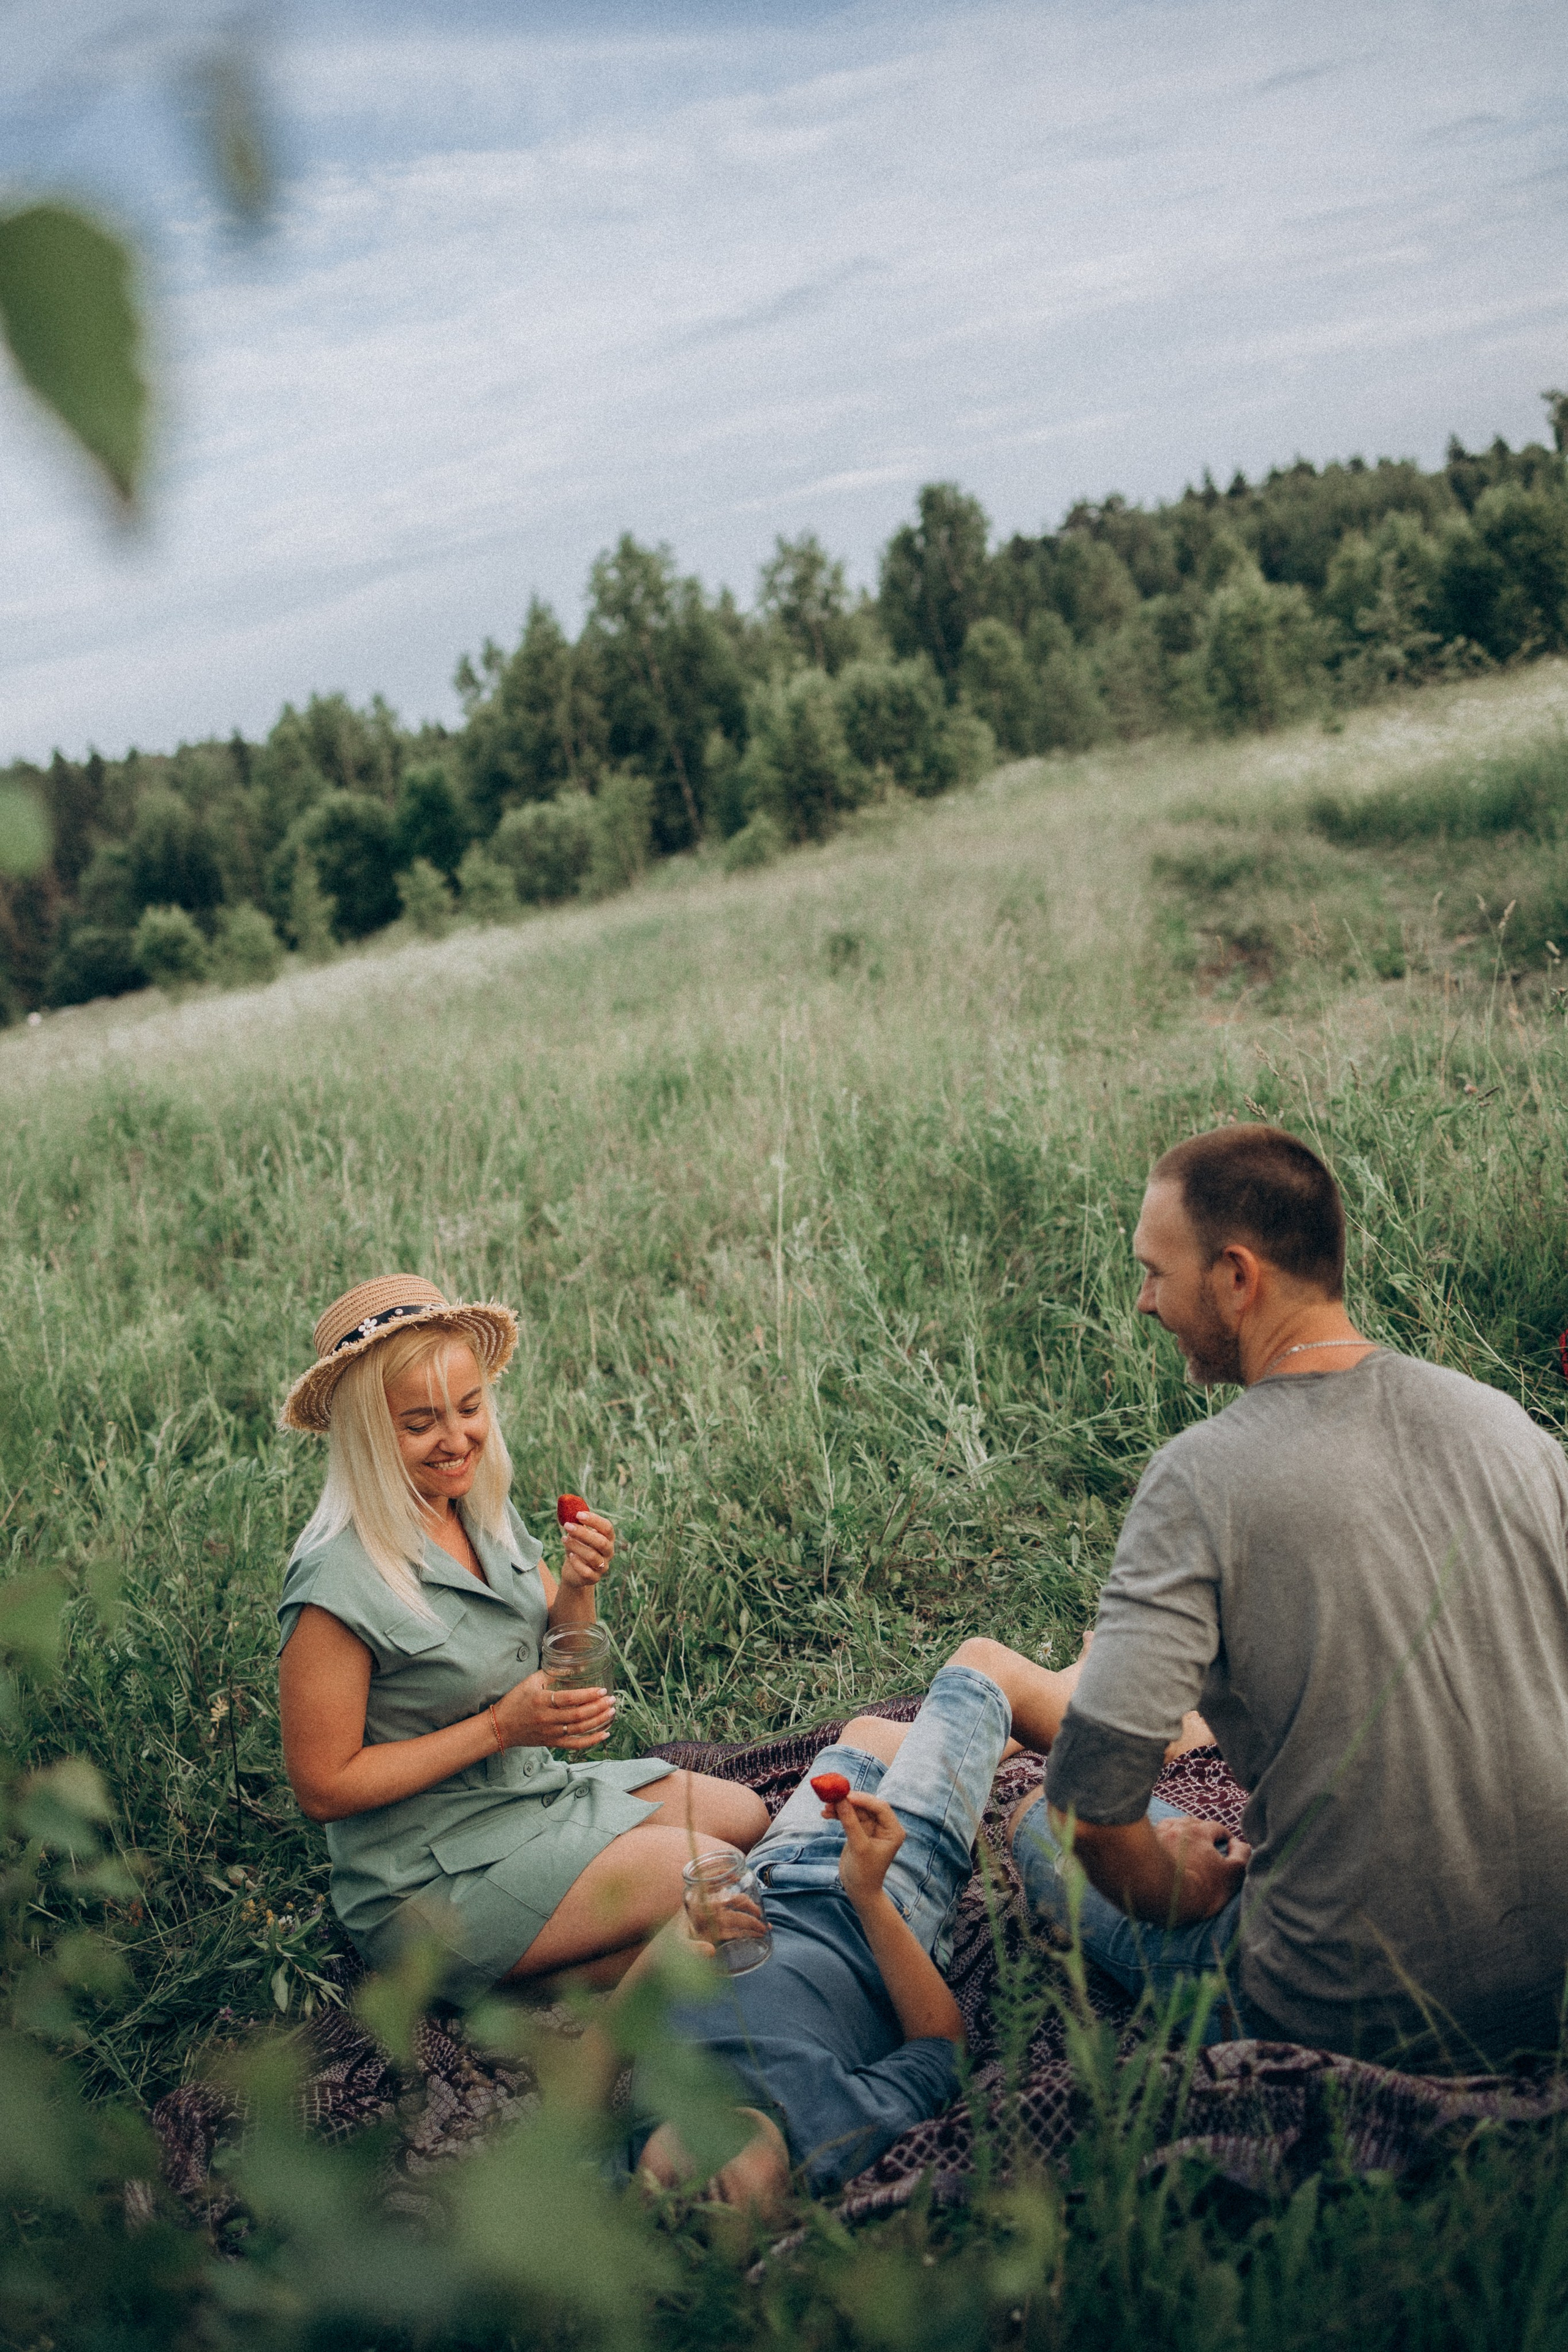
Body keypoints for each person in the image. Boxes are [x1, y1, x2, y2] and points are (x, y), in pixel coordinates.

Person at [1010, 1123, 1568, 2068]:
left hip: (1343, 2012)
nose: (1144, 1303)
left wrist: (1170, 1890)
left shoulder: (1200, 1479)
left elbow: (1093, 1808)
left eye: (1155, 1271)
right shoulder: (1508, 1424)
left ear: (1237, 1277)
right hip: (1553, 1984)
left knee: (1028, 1824)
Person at [276, 1276, 767, 1997]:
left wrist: (578, 1585)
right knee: (701, 1868)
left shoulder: (476, 1509)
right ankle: (507, 1975)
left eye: (470, 1408)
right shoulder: (334, 1584)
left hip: (531, 1796)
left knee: (745, 1816)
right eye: (421, 1425)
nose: (457, 1440)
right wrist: (499, 1730)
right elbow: (322, 1787)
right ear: (369, 1436)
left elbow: (561, 1660)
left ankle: (560, 1970)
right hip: (425, 1873)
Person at [611, 1637, 1091, 2210]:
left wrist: (672, 1942)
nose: (689, 2204)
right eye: (706, 2224)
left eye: (660, 2212)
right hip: (890, 1888)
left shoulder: (626, 2144)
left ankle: (1022, 1717)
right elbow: (941, 2046)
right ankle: (1119, 1718)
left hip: (775, 1869)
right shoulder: (838, 2132)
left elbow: (586, 2066)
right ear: (787, 2210)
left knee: (868, 1736)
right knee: (979, 1670)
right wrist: (866, 1893)